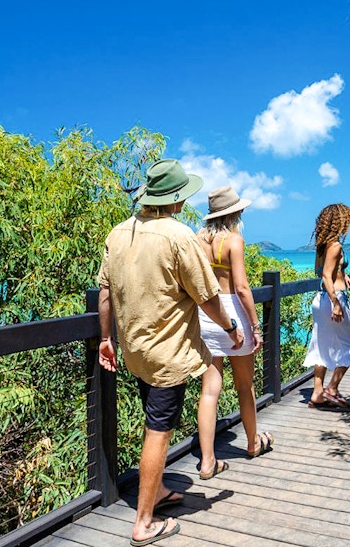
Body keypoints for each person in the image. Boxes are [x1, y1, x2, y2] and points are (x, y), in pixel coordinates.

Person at [97, 159, 244, 547]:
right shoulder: (179, 237)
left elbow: (106, 292)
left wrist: (104, 338)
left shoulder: (118, 233)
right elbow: (208, 296)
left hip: (134, 351)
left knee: (153, 416)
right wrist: (230, 328)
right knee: (158, 431)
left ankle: (157, 491)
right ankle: (144, 523)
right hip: (168, 353)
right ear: (177, 198)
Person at [195, 186, 274, 479]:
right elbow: (241, 287)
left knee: (209, 390)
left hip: (206, 313)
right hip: (232, 316)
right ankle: (253, 443)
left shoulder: (197, 241)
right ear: (234, 214)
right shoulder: (234, 241)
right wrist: (254, 326)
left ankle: (206, 461)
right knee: (245, 385)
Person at [304, 203, 350, 410]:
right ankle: (332, 388)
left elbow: (320, 270)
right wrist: (336, 303)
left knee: (322, 345)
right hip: (332, 299)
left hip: (320, 300)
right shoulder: (335, 246)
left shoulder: (321, 246)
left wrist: (343, 274)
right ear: (340, 223)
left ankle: (317, 393)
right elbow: (326, 276)